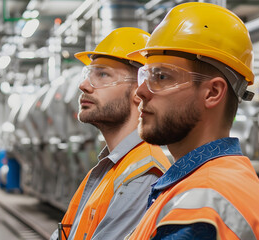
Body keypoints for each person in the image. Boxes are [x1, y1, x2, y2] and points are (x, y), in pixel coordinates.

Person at [126, 3, 259, 239]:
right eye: (145, 76)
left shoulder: (198, 207)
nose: (141, 92)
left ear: (212, 92)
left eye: (162, 76)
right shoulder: (214, 181)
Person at [49, 27, 171, 240]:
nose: (84, 85)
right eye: (88, 74)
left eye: (102, 74)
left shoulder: (144, 174)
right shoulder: (107, 169)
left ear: (139, 91)